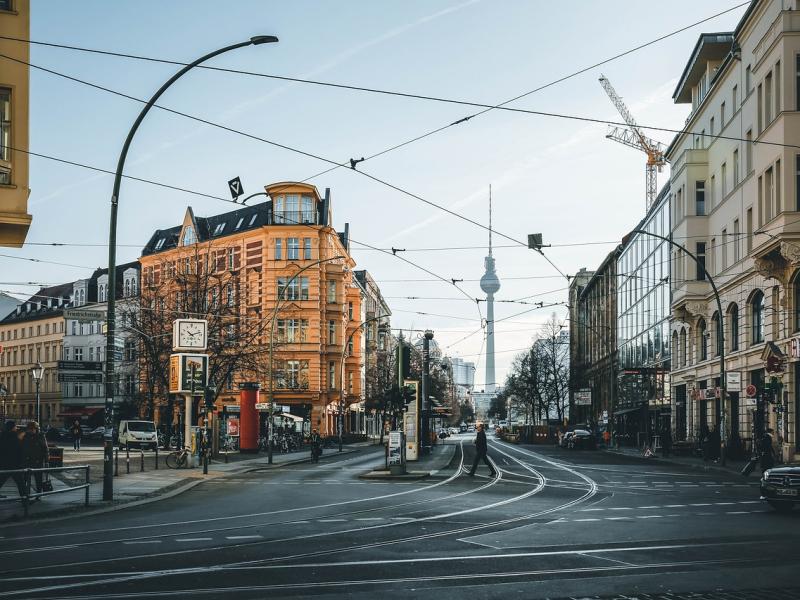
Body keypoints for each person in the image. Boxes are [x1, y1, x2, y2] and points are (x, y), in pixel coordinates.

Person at [21, 421, 48, 494]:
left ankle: (39, 493)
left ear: (35, 429)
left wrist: (46, 461)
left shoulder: (40, 436)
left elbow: (45, 449)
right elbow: (22, 447)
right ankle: (26, 493)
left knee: (38, 478)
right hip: (27, 460)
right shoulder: (26, 436)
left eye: (32, 429)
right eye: (29, 429)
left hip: (38, 461)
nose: (30, 430)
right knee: (25, 478)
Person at [0, 421, 26, 498]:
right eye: (15, 427)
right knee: (21, 483)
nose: (16, 428)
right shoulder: (14, 437)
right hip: (14, 464)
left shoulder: (2, 436)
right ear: (12, 428)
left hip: (4, 463)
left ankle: (25, 499)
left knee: (1, 480)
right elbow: (18, 449)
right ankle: (25, 500)